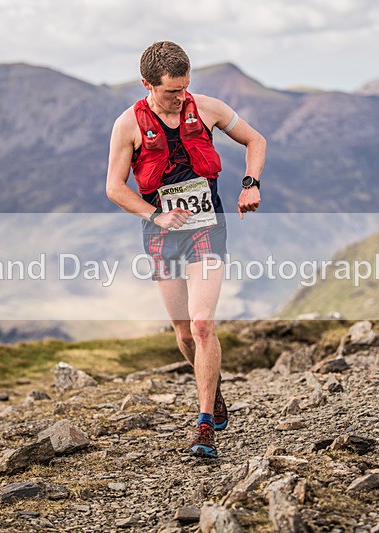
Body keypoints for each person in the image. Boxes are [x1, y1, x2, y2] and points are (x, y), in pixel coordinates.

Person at [106, 41, 266, 458]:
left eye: (185, 88)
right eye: (171, 91)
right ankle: (213, 386)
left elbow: (256, 141)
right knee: (182, 332)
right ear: (147, 84)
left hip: (207, 226)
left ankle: (204, 424)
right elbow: (114, 187)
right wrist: (154, 215)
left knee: (201, 325)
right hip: (162, 232)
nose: (180, 98)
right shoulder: (128, 125)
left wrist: (251, 184)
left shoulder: (208, 109)